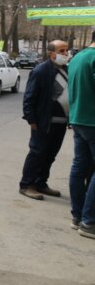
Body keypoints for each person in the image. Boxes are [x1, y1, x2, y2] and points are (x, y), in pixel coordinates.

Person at [19, 40, 70, 200]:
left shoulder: (66, 70)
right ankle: (26, 185)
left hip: (61, 122)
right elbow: (29, 97)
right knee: (37, 153)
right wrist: (32, 120)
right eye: (61, 51)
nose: (65, 54)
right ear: (51, 53)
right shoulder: (41, 70)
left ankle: (41, 182)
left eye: (66, 50)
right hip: (43, 123)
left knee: (50, 155)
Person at [67, 31, 95, 238]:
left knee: (79, 167)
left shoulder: (78, 57)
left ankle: (78, 216)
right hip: (92, 121)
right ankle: (89, 221)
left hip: (78, 119)